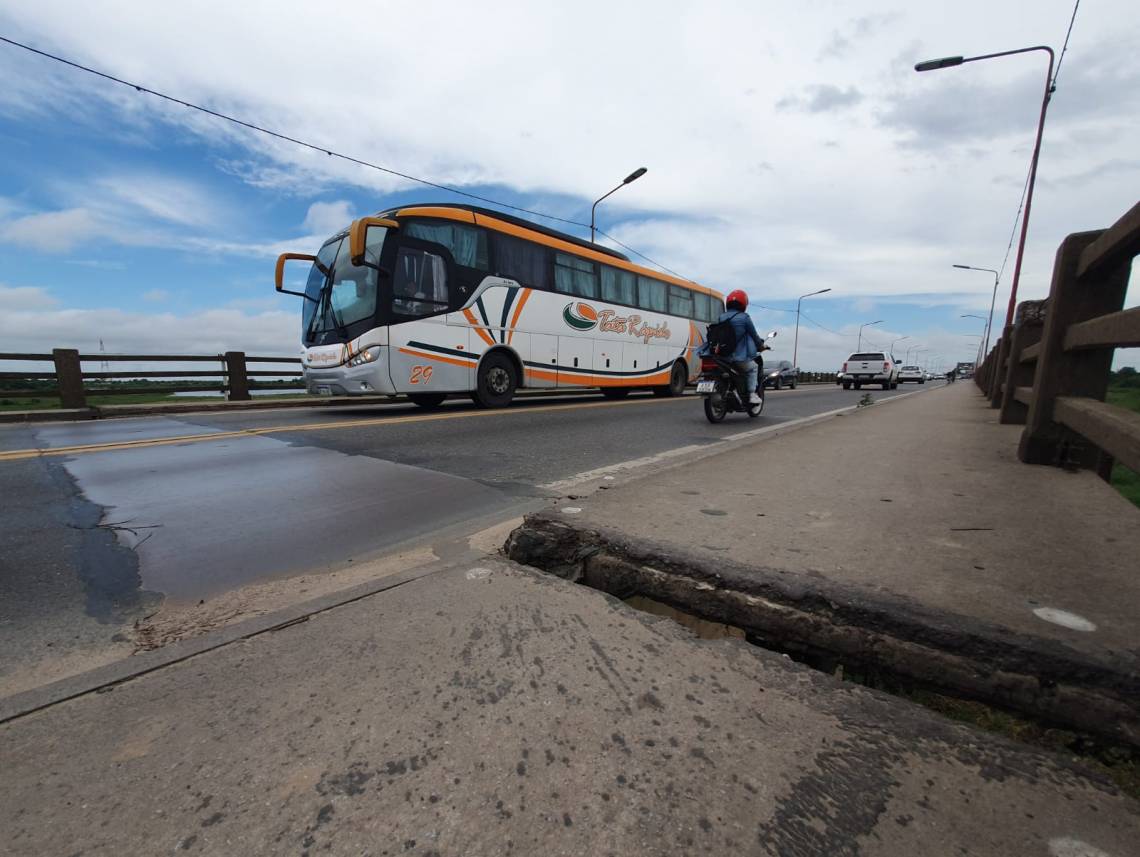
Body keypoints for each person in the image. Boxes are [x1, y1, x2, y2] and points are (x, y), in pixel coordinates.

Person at [717, 289, 764, 405]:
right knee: (753, 368)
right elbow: (754, 336)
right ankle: (752, 394)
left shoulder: (721, 317)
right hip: (737, 358)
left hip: (721, 357)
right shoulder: (744, 318)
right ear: (744, 303)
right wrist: (761, 346)